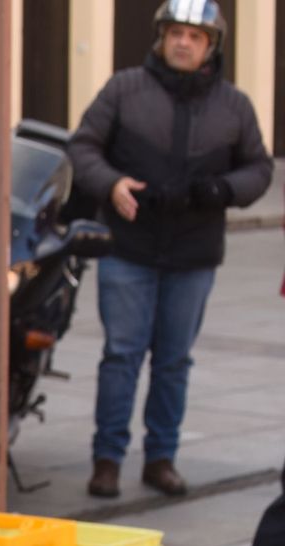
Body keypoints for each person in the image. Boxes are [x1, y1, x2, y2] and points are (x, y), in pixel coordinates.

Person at [67, 0, 272, 499]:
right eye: (175, 32)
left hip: (193, 256)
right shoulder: (124, 89)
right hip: (127, 249)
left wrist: (224, 190)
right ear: (161, 37)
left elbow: (259, 169)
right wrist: (111, 183)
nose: (183, 42)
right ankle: (107, 460)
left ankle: (162, 457)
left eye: (195, 36)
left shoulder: (235, 105)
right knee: (121, 355)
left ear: (211, 47)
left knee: (174, 361)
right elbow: (83, 147)